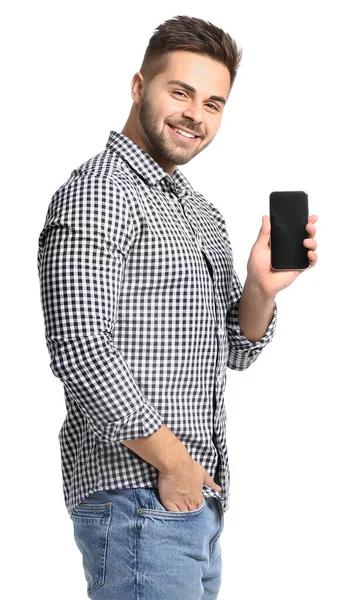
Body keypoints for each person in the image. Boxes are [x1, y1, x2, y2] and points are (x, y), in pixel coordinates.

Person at [37, 14, 318, 600]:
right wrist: (175, 465)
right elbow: (80, 349)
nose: (197, 114)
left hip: (196, 508)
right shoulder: (97, 193)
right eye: (181, 92)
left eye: (214, 103)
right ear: (139, 87)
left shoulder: (202, 214)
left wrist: (261, 288)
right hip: (138, 499)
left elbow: (237, 350)